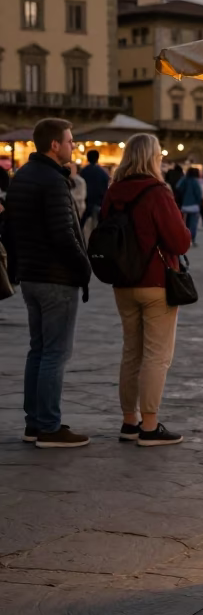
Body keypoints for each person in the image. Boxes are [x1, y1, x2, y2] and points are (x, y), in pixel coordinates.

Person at [2, 118, 92, 447]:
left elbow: (10, 229)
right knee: (55, 353)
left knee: (38, 351)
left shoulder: (23, 176)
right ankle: (50, 427)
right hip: (56, 277)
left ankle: (34, 423)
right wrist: (83, 267)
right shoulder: (53, 181)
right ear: (55, 145)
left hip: (31, 275)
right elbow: (63, 234)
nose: (73, 146)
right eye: (69, 141)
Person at [102, 134, 192, 445]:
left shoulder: (113, 191)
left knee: (131, 352)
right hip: (155, 282)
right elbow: (179, 241)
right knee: (156, 356)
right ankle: (150, 426)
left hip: (123, 282)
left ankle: (130, 421)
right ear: (152, 157)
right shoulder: (157, 192)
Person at [79, 149, 110, 236]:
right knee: (97, 227)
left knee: (81, 226)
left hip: (86, 202)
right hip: (98, 202)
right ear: (97, 158)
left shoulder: (83, 171)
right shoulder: (103, 173)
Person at [177, 167, 203, 244]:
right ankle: (192, 239)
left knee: (186, 224)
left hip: (184, 205)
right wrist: (199, 203)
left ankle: (186, 238)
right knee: (193, 224)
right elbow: (198, 194)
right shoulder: (195, 182)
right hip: (194, 206)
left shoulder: (183, 180)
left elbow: (178, 189)